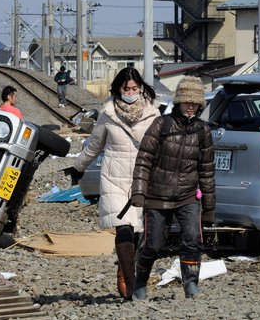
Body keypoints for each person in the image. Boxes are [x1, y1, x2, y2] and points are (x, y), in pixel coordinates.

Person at [65, 67, 159, 300]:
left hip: (141, 178)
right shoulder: (107, 113)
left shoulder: (153, 113)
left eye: (134, 88)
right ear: (118, 88)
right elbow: (95, 145)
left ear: (141, 88)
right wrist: (78, 167)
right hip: (114, 178)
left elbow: (161, 146)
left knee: (138, 231)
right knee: (124, 228)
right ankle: (131, 283)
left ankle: (124, 267)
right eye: (126, 88)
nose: (130, 92)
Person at [130, 75, 216, 300]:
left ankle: (191, 284)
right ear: (178, 102)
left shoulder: (202, 131)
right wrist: (139, 191)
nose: (191, 106)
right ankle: (140, 282)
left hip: (188, 196)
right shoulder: (161, 124)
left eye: (195, 103)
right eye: (187, 101)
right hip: (157, 196)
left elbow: (206, 170)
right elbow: (144, 159)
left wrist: (208, 207)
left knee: (192, 239)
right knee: (153, 245)